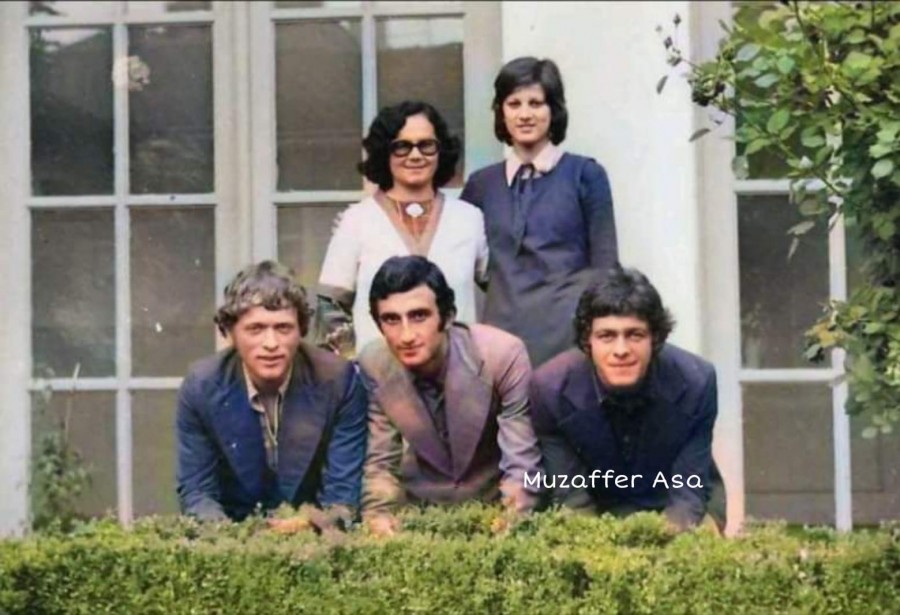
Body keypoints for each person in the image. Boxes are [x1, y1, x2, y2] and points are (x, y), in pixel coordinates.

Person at [357, 256, 543, 536]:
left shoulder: (500, 354)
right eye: (391, 319)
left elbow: (522, 462)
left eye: (419, 316)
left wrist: (512, 520)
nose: (406, 335)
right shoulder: (375, 362)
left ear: (448, 316)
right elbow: (381, 461)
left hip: (492, 507)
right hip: (420, 517)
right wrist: (378, 517)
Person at [529, 265, 725, 532]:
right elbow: (572, 497)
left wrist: (661, 542)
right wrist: (601, 548)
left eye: (635, 335)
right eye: (606, 336)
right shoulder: (550, 388)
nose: (621, 350)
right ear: (588, 341)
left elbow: (688, 493)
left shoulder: (696, 381)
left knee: (700, 538)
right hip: (594, 509)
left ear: (655, 338)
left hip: (680, 501)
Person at [175, 261, 367, 528]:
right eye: (255, 329)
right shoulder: (202, 386)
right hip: (233, 535)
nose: (271, 344)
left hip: (316, 536)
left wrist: (307, 526)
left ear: (301, 330)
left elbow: (342, 499)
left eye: (283, 328)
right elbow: (197, 493)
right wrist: (237, 539)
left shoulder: (337, 380)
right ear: (229, 332)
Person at [461, 57, 618, 367]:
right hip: (500, 340)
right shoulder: (482, 185)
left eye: (536, 103)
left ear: (553, 110)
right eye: (514, 104)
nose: (524, 115)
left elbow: (605, 265)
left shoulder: (585, 175)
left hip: (568, 339)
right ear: (501, 112)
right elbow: (464, 259)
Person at [317, 100, 488, 356]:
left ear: (441, 150)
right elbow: (330, 309)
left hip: (456, 370)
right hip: (379, 375)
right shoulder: (356, 220)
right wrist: (354, 365)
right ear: (384, 153)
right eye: (402, 147)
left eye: (426, 145)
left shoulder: (469, 218)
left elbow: (505, 293)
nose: (415, 155)